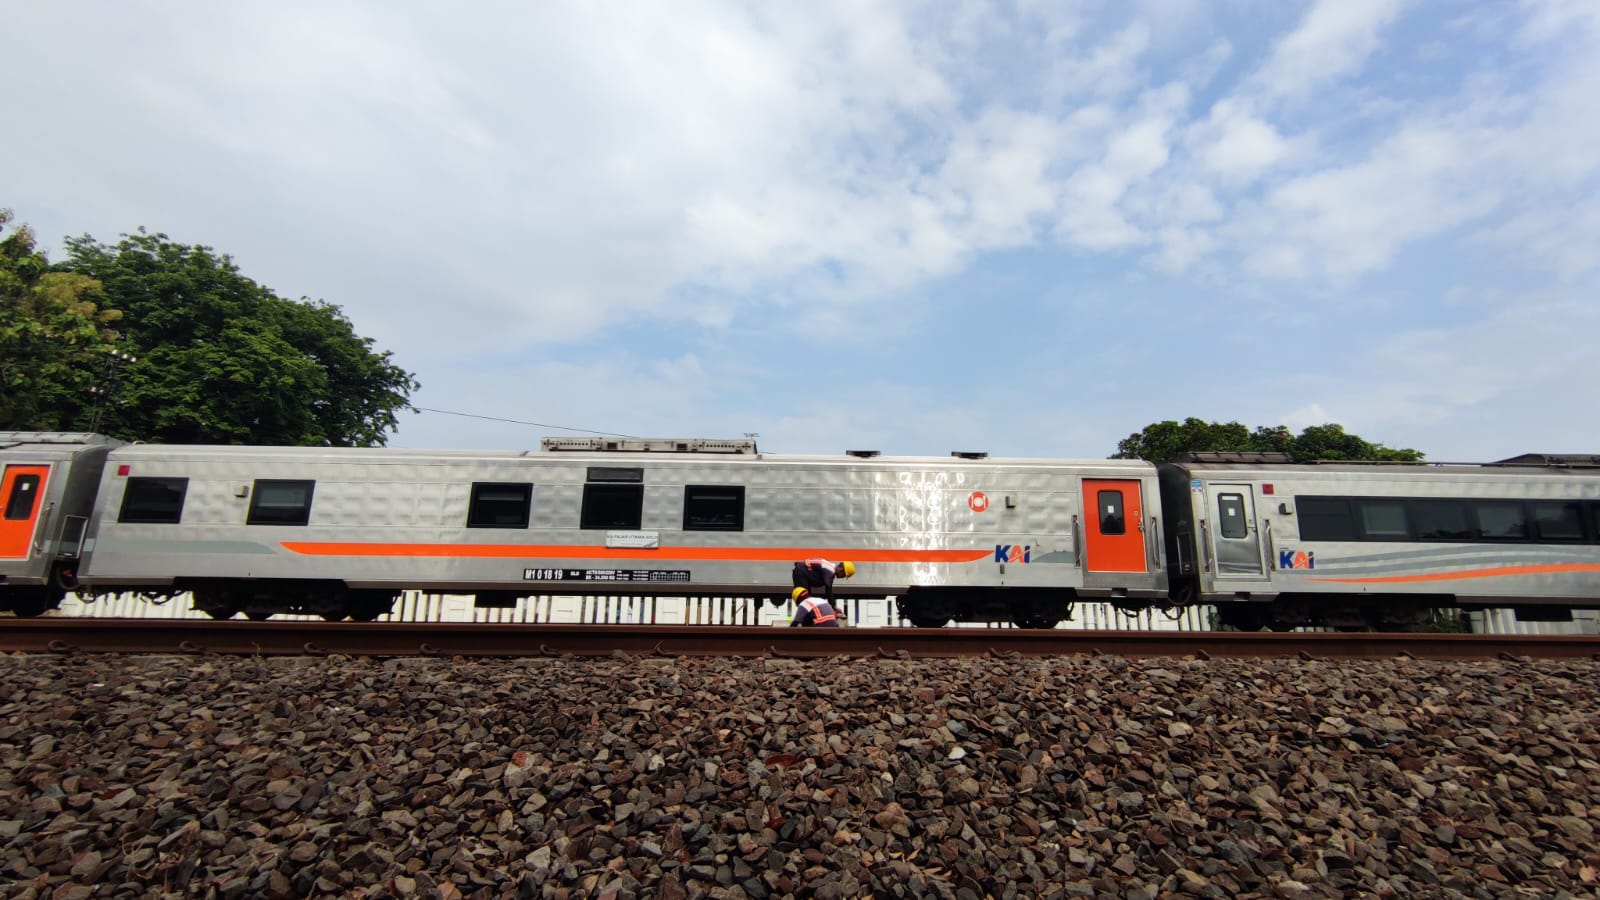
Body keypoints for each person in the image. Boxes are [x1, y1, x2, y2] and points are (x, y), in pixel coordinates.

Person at [791, 558, 856, 603]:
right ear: (841, 570)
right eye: (844, 575)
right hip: (800, 574)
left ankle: (807, 620)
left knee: (808, 600)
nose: (843, 577)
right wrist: (833, 605)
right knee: (805, 599)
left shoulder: (829, 568)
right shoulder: (830, 571)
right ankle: (803, 620)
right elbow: (828, 588)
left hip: (802, 574)